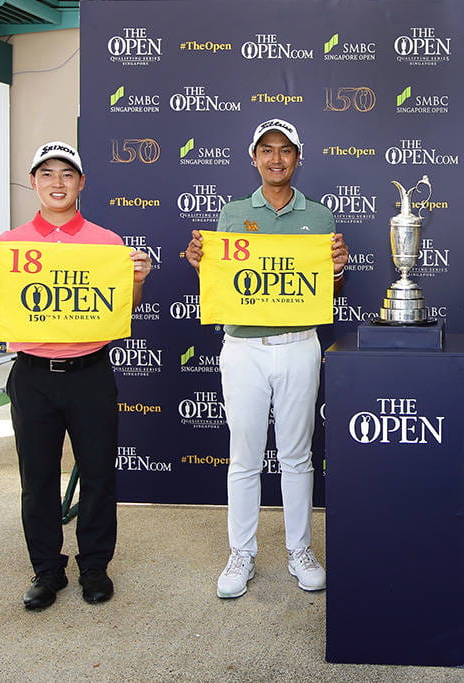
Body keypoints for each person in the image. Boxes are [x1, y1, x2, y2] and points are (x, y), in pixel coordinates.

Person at [0, 141, 152, 610]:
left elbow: (122, 313)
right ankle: (47, 571)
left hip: (90, 373)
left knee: (99, 475)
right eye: (47, 175)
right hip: (33, 376)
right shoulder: (8, 245)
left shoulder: (107, 243)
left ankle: (94, 568)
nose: (57, 183)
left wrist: (139, 279)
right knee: (38, 478)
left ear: (81, 183)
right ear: (34, 184)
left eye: (66, 175)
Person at [184, 118, 348, 599]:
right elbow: (219, 280)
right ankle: (243, 553)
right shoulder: (232, 215)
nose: (276, 159)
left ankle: (300, 549)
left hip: (299, 344)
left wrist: (337, 269)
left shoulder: (319, 217)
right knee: (245, 458)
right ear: (253, 157)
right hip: (243, 348)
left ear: (298, 158)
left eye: (286, 151)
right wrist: (201, 261)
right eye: (267, 150)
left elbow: (328, 288)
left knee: (297, 456)